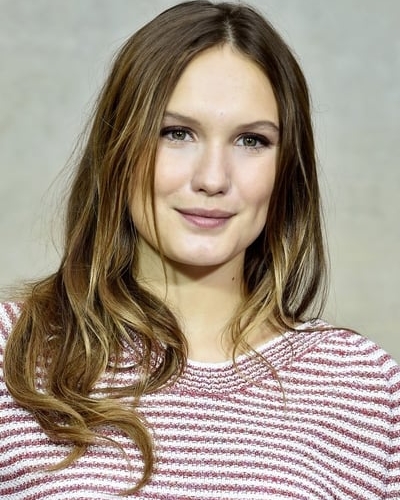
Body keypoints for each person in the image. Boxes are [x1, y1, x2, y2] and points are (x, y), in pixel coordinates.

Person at [0, 1, 399, 498]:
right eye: (176, 133)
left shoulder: (362, 383)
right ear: (117, 150)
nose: (213, 178)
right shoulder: (12, 352)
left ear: (286, 169)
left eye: (251, 140)